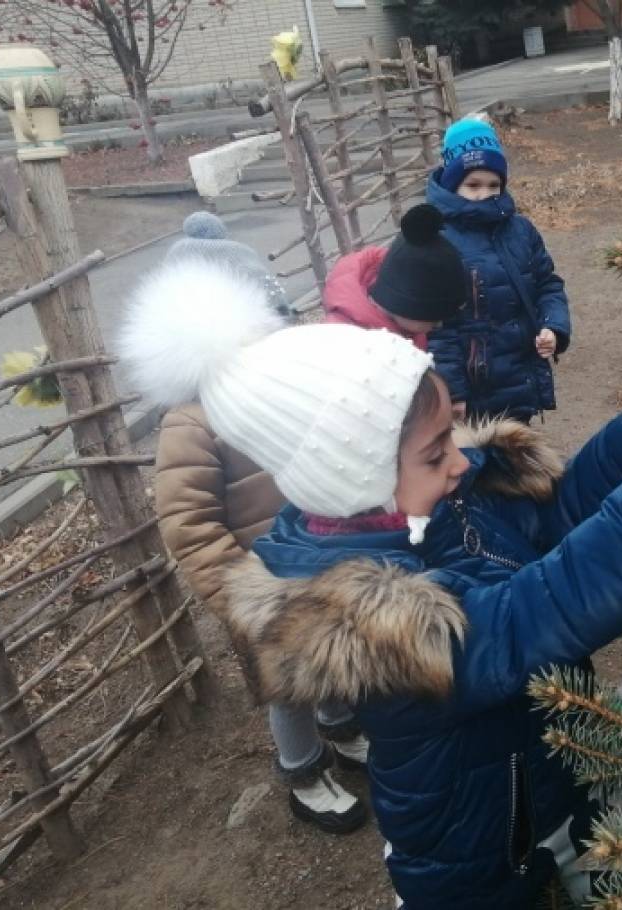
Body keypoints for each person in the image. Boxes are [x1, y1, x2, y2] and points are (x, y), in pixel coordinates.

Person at [117, 269, 622, 908]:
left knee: (579, 854)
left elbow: (555, 522)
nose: (459, 460)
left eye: (450, 436)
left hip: (554, 772)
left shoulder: (440, 504)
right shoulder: (367, 622)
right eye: (435, 453)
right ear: (356, 476)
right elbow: (535, 615)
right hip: (474, 858)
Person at [142, 217, 373, 835]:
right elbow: (188, 523)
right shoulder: (190, 422)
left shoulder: (279, 388)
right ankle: (302, 771)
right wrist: (243, 594)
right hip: (260, 582)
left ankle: (342, 727)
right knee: (288, 683)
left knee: (332, 650)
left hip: (317, 553)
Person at [425, 116, 570, 423]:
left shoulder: (520, 230)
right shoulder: (438, 240)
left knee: (517, 449)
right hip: (473, 393)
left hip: (520, 382)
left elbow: (547, 284)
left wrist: (553, 326)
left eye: (494, 185)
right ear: (452, 183)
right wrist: (453, 392)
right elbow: (437, 328)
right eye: (473, 185)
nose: (485, 194)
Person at [322, 204, 469, 349]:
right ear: (407, 307)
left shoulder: (404, 325)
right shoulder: (343, 342)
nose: (439, 325)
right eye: (434, 319)